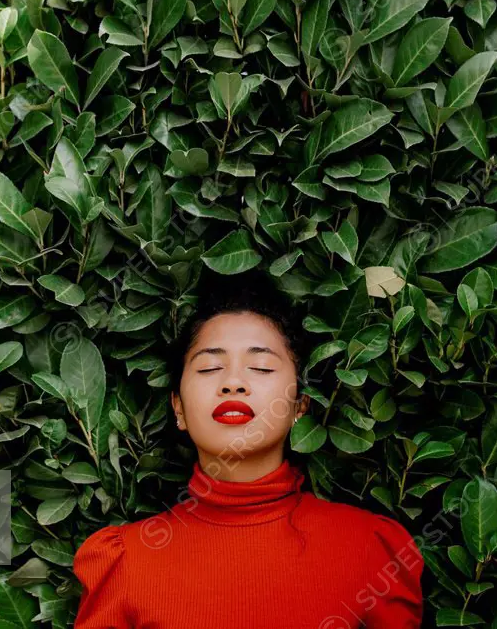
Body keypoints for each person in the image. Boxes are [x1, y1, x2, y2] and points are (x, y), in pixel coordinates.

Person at [71, 268, 423, 628]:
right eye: (209, 368)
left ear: (300, 405)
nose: (234, 382)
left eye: (261, 366)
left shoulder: (371, 551)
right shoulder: (124, 561)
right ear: (178, 408)